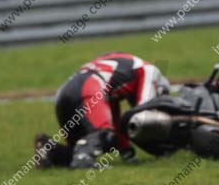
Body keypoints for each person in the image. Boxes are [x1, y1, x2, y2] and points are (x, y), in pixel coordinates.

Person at [35, 52, 170, 169]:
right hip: (89, 85)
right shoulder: (149, 71)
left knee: (78, 149)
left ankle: (49, 149)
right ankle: (83, 160)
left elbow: (115, 118)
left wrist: (126, 151)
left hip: (64, 92)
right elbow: (144, 110)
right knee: (104, 135)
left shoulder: (121, 68)